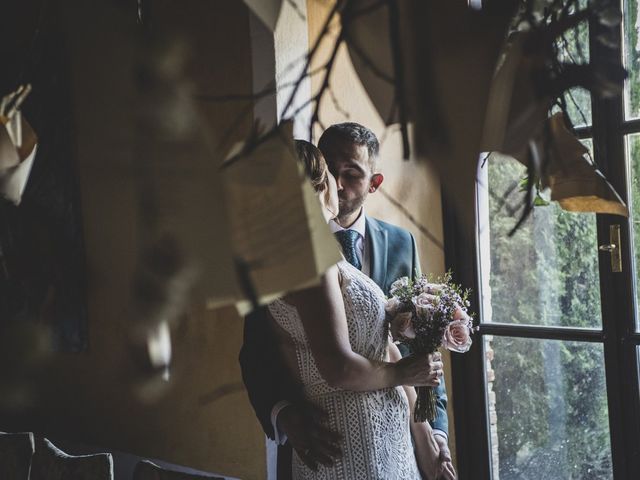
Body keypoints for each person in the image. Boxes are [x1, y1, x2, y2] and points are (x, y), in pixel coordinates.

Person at [239, 128, 454, 479]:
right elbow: (259, 352)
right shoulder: (303, 257)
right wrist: (286, 416)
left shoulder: (402, 244)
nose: (338, 184)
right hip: (338, 439)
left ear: (374, 182)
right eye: (330, 171)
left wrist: (431, 439)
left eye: (351, 173)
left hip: (395, 436)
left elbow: (417, 345)